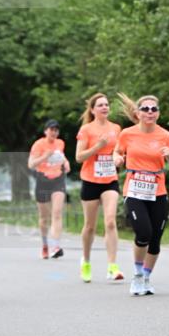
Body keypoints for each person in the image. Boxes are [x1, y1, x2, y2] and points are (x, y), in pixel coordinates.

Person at [114, 94, 169, 296]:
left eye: (154, 109)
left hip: (157, 191)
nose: (150, 112)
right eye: (146, 109)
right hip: (134, 189)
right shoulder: (127, 134)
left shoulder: (165, 136)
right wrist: (118, 158)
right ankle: (136, 275)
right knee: (143, 232)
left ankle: (146, 276)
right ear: (138, 113)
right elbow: (117, 152)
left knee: (155, 240)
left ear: (158, 113)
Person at [75, 92, 123, 283]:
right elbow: (79, 157)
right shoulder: (86, 130)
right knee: (90, 226)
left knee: (110, 221)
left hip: (110, 179)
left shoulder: (116, 128)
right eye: (100, 105)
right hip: (90, 180)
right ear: (93, 110)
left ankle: (112, 266)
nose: (105, 107)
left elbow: (116, 152)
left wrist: (117, 158)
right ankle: (86, 262)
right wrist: (97, 146)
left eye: (106, 104)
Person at [28, 120, 70, 259]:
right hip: (43, 180)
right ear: (45, 131)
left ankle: (55, 246)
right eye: (51, 129)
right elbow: (31, 164)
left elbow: (61, 156)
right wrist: (44, 156)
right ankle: (45, 244)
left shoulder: (60, 143)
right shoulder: (39, 144)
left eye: (56, 130)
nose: (54, 132)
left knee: (57, 213)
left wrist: (66, 162)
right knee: (44, 217)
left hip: (58, 180)